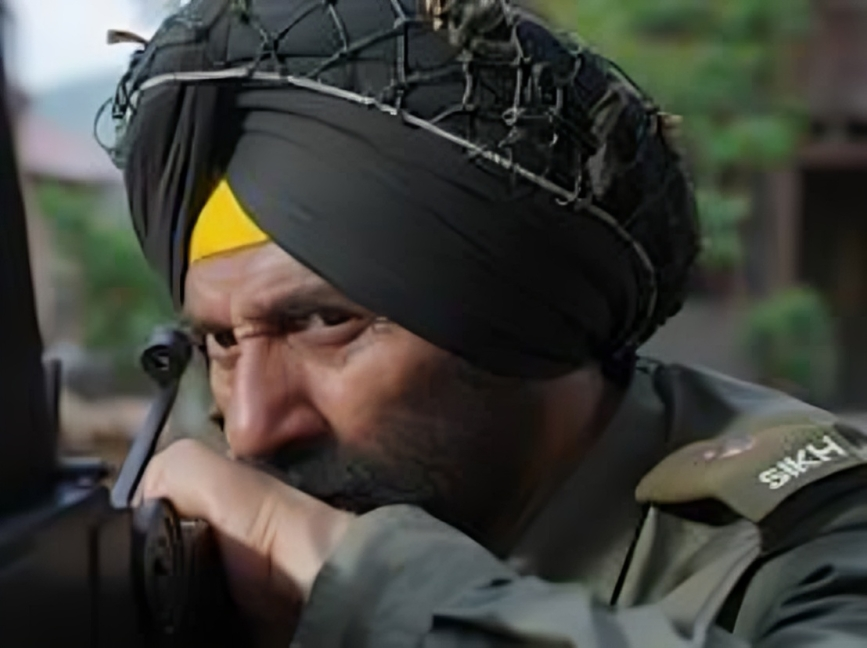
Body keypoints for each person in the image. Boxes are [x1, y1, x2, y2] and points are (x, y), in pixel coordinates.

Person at [108, 0, 867, 645]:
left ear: (515, 315)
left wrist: (355, 575)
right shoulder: (215, 548)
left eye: (321, 322)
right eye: (221, 342)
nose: (250, 427)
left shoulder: (813, 533)